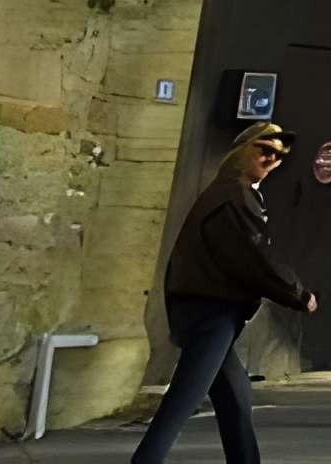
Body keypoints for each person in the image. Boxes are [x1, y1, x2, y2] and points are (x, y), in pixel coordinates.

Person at [131, 122, 316, 463]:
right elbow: (254, 256)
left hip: (206, 309)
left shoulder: (232, 191)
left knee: (236, 396)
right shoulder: (234, 195)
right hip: (210, 311)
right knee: (183, 401)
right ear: (242, 148)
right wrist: (298, 293)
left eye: (277, 156)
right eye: (264, 149)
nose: (270, 158)